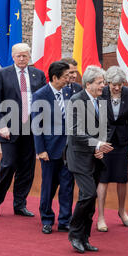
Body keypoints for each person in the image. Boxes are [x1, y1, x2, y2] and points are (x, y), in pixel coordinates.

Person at [0, 43, 46, 217]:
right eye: (18, 56)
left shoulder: (38, 74)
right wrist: (2, 125)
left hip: (32, 128)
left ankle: (20, 204)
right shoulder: (2, 74)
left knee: (27, 168)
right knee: (8, 164)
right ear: (13, 57)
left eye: (25, 56)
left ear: (29, 57)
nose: (22, 59)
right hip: (9, 127)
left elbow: (43, 100)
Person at [66, 65, 113, 253]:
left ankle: (84, 238)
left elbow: (105, 128)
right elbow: (75, 131)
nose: (104, 85)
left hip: (95, 157)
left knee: (90, 200)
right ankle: (74, 234)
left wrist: (101, 145)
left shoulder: (101, 100)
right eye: (100, 82)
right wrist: (97, 144)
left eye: (103, 82)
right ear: (88, 84)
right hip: (78, 157)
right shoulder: (76, 100)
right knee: (88, 194)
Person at [32, 61, 74, 234]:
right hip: (49, 149)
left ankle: (65, 220)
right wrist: (40, 150)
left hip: (68, 149)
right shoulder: (40, 95)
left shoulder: (69, 91)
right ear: (55, 77)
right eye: (65, 77)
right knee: (48, 185)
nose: (68, 79)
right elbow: (36, 125)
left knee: (67, 186)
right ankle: (47, 219)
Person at [96, 66, 128, 232]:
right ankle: (100, 216)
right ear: (108, 83)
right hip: (103, 140)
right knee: (103, 178)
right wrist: (96, 144)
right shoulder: (101, 92)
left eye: (120, 84)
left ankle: (122, 210)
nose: (117, 87)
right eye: (114, 84)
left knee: (121, 178)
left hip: (121, 141)